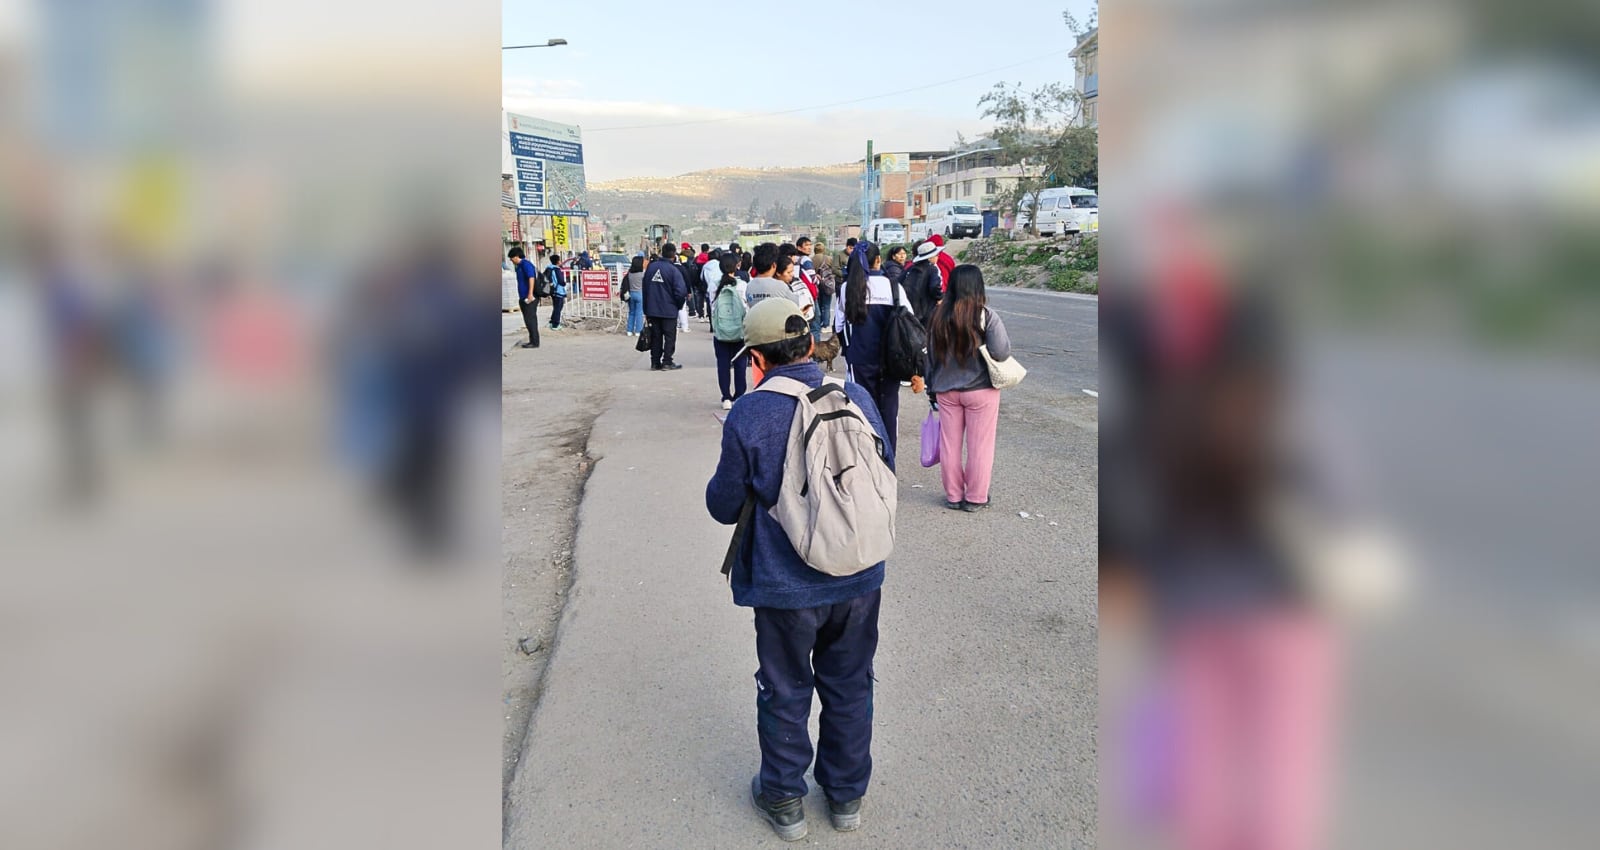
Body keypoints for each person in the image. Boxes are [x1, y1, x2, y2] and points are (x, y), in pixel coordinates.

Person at [704, 298, 893, 841]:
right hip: (859, 578)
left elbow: (723, 505)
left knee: (785, 688)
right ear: (810, 346)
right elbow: (882, 473)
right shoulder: (854, 396)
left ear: (757, 359)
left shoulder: (750, 412)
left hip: (785, 588)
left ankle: (784, 799)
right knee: (851, 682)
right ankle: (846, 796)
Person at [925, 264, 1010, 511]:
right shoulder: (986, 315)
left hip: (946, 391)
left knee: (950, 445)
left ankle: (953, 495)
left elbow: (929, 356)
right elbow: (1001, 352)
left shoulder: (938, 316)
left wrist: (932, 386)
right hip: (981, 390)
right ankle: (975, 497)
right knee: (980, 446)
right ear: (978, 286)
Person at [835, 241, 914, 455]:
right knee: (889, 410)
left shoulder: (846, 289)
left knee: (861, 409)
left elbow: (839, 326)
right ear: (878, 260)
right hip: (891, 361)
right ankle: (888, 460)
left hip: (859, 360)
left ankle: (865, 458)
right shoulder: (893, 287)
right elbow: (910, 321)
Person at [709, 255, 749, 409]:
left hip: (721, 333)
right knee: (740, 365)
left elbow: (712, 308)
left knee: (723, 365)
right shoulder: (743, 285)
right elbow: (747, 308)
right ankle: (739, 396)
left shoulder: (714, 285)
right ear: (736, 266)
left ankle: (726, 397)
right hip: (739, 332)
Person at [642, 245, 689, 370]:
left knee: (656, 337)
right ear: (674, 255)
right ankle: (667, 361)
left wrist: (646, 308)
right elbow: (680, 291)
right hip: (669, 310)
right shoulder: (673, 270)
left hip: (652, 309)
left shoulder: (651, 267)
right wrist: (678, 305)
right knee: (669, 337)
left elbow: (645, 288)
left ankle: (655, 362)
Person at [903, 240, 945, 327]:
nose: (938, 257)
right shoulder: (932, 269)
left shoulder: (911, 269)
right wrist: (939, 297)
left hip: (910, 308)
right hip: (927, 310)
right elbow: (934, 286)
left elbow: (898, 281)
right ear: (930, 258)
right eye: (936, 255)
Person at [508, 246, 540, 348]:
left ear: (516, 256)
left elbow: (531, 278)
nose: (511, 260)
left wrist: (530, 294)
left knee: (531, 320)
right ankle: (532, 340)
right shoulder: (519, 266)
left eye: (512, 258)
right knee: (527, 320)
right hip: (523, 297)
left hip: (529, 297)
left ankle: (534, 342)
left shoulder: (526, 264)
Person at [774, 250, 816, 323]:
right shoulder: (774, 289)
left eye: (792, 271)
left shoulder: (797, 283)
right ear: (778, 273)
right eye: (789, 272)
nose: (792, 274)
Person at [619, 254, 647, 336]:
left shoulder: (629, 274)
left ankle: (629, 330)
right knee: (639, 313)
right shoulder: (642, 274)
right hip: (640, 294)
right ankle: (638, 330)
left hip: (631, 294)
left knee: (631, 312)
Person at [545, 252, 568, 330]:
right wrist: (565, 283)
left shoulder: (549, 268)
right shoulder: (557, 269)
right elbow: (561, 281)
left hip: (552, 291)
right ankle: (555, 325)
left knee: (555, 307)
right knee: (558, 307)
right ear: (558, 261)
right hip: (559, 291)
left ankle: (552, 322)